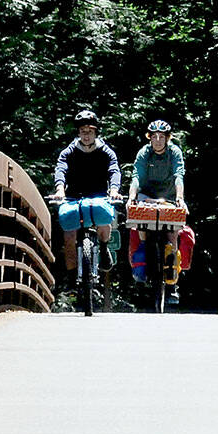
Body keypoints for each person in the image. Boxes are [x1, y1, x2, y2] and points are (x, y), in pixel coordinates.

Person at [51, 109, 122, 293]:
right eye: (83, 131)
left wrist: (114, 190)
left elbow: (114, 170)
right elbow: (61, 169)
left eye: (90, 131)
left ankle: (104, 246)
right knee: (69, 235)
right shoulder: (69, 152)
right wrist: (60, 189)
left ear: (96, 132)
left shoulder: (106, 152)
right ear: (78, 133)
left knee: (104, 218)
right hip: (73, 196)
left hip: (99, 194)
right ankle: (71, 275)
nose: (86, 135)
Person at [127, 119, 186, 302]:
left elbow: (179, 175)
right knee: (142, 225)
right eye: (154, 137)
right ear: (149, 138)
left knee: (174, 232)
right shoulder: (144, 153)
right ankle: (145, 257)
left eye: (162, 137)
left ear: (168, 138)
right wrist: (131, 197)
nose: (158, 140)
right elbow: (136, 176)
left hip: (169, 197)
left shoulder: (174, 152)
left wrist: (179, 198)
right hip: (147, 196)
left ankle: (173, 283)